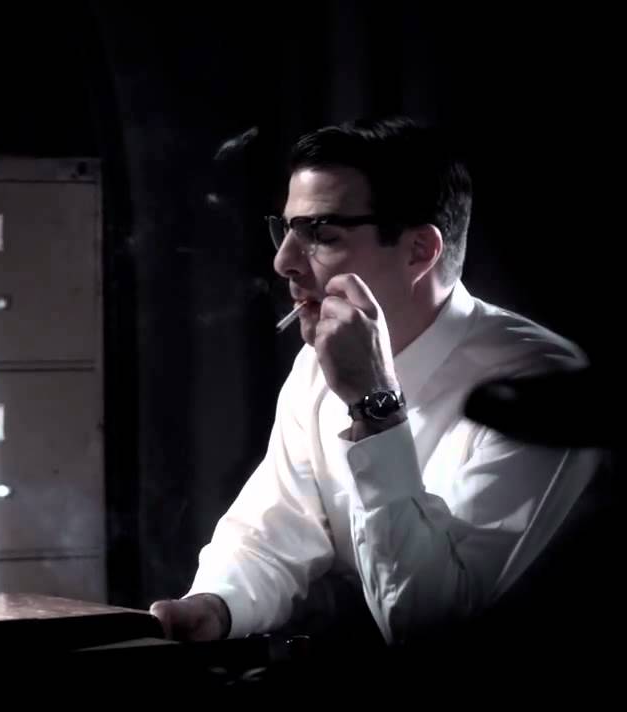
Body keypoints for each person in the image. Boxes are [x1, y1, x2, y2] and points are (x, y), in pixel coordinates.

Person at [150, 117, 602, 647]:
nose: (283, 262)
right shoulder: (316, 367)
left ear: (419, 251)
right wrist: (214, 606)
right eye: (286, 229)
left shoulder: (539, 384)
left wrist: (374, 405)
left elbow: (426, 624)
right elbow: (275, 532)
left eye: (321, 234)